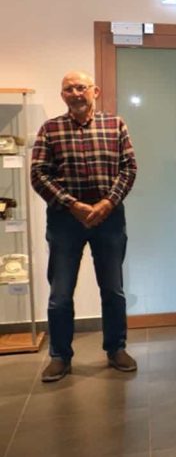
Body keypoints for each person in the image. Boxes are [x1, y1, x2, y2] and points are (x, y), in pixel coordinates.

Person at [31, 71, 138, 382]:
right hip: (65, 220)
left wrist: (107, 203)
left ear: (95, 91)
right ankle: (60, 356)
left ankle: (116, 348)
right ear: (62, 95)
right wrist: (72, 205)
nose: (76, 93)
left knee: (113, 289)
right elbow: (38, 174)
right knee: (60, 293)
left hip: (109, 218)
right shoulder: (50, 129)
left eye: (81, 87)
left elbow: (129, 168)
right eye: (69, 89)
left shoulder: (115, 125)